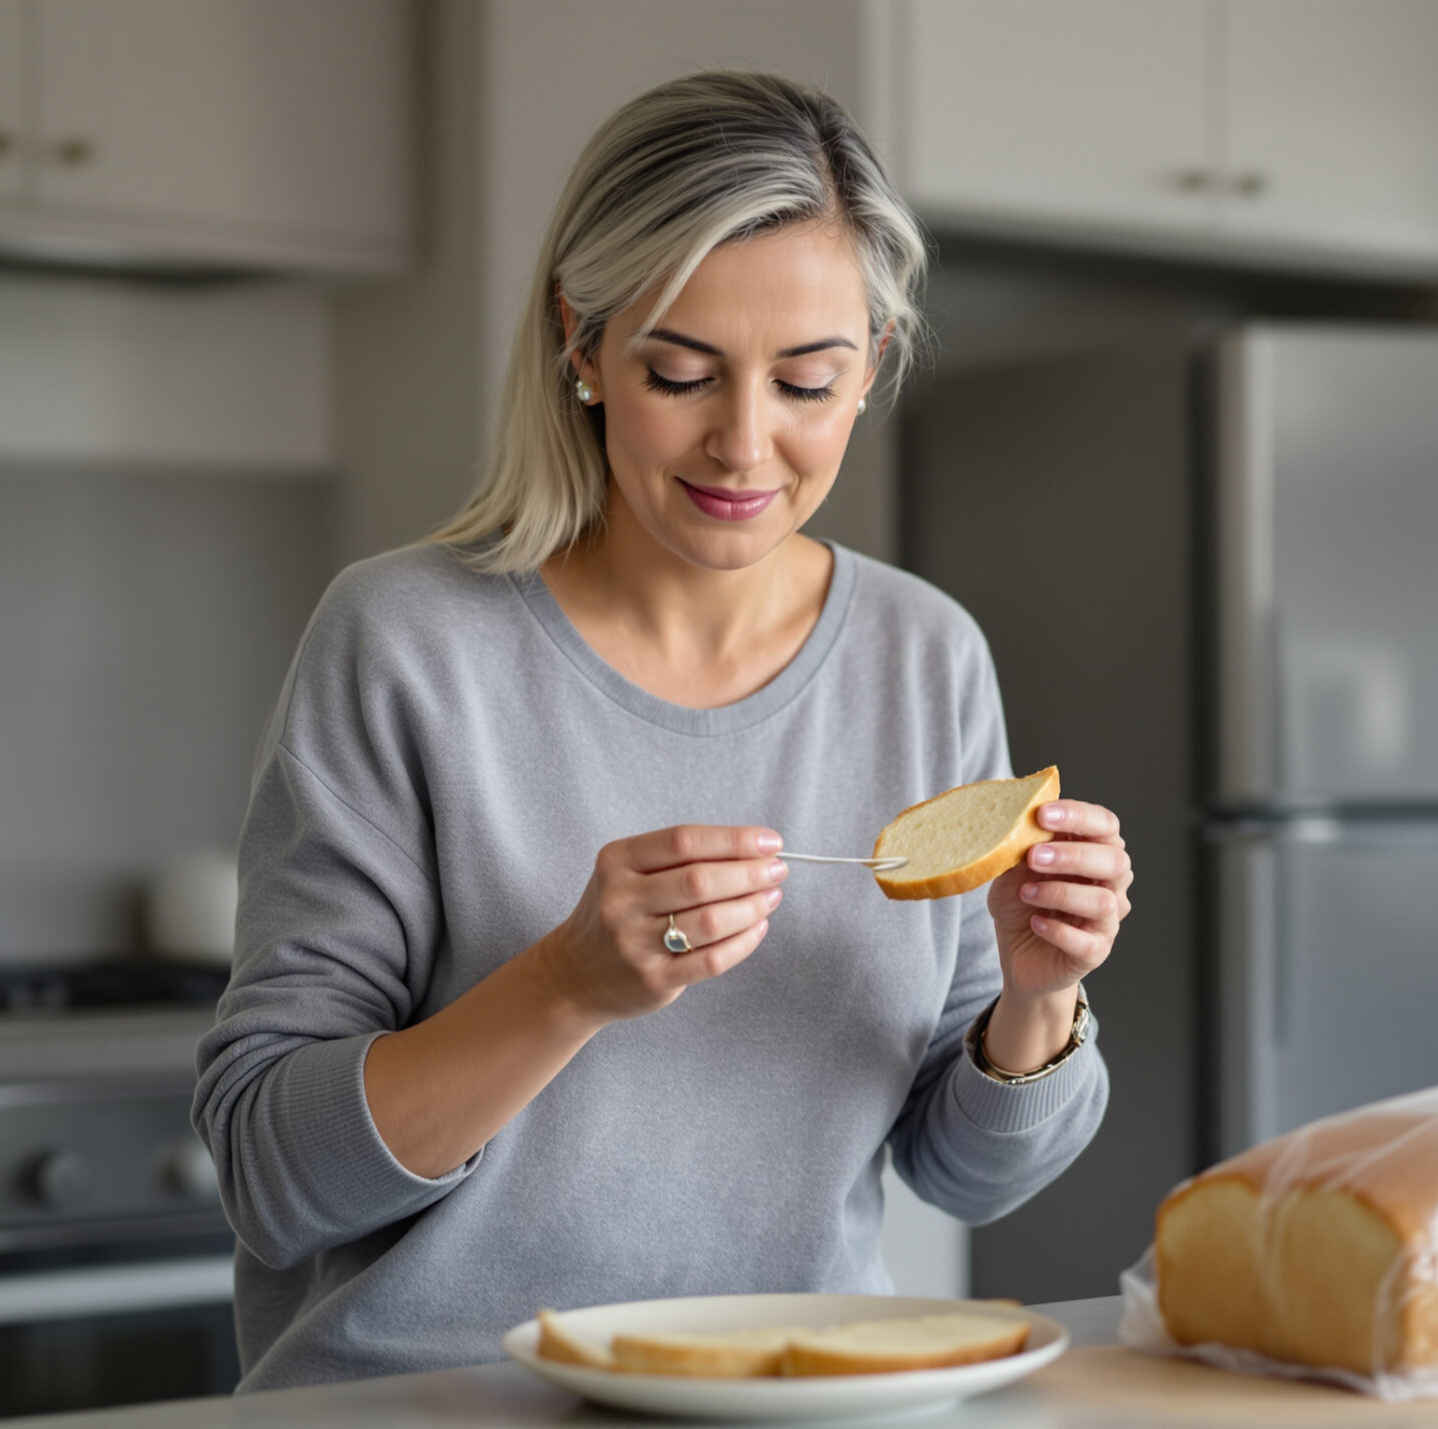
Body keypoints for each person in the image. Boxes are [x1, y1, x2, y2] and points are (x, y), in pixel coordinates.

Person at [193, 70, 1131, 1389]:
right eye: (681, 373)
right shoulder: (406, 643)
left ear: (874, 362)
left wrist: (1038, 995)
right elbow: (271, 1176)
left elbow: (964, 1173)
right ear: (580, 346)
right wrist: (566, 983)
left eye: (809, 381)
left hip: (791, 1406)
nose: (746, 445)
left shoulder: (926, 655)